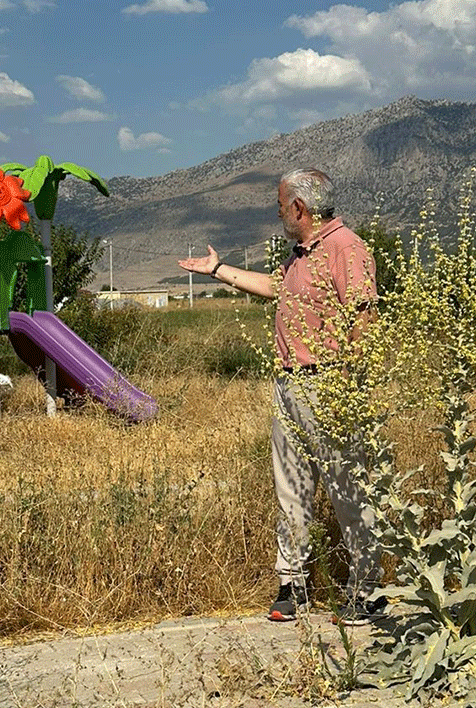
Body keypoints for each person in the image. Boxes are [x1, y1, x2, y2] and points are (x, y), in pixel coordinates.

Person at [178, 168, 384, 625]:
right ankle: (292, 583)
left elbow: (363, 316)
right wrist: (217, 270)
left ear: (299, 209)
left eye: (280, 207)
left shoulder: (345, 247)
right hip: (291, 384)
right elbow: (277, 289)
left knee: (348, 489)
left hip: (330, 383)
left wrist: (346, 385)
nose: (277, 214)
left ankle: (366, 589)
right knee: (291, 487)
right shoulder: (301, 253)